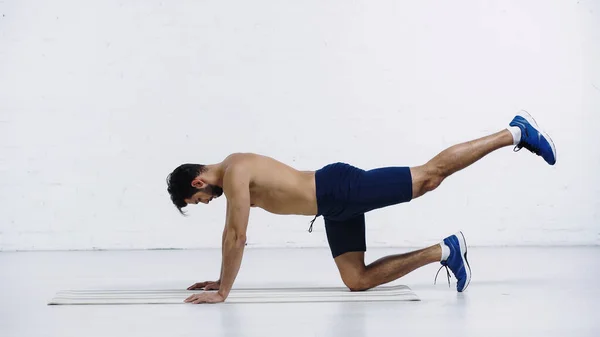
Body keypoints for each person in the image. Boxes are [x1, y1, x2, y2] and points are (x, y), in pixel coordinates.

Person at [166, 110, 556, 304]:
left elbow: (236, 235)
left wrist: (223, 292)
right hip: (332, 208)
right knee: (357, 280)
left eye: (196, 200)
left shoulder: (235, 170)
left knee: (429, 177)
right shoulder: (234, 170)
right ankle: (446, 250)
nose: (203, 203)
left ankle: (515, 132)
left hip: (339, 188)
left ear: (198, 182)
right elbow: (234, 236)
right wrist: (220, 280)